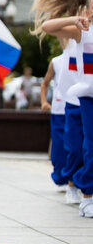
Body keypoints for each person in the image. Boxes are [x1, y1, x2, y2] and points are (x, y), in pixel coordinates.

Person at [32, 0, 93, 216]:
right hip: (86, 98)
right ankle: (85, 193)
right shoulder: (82, 32)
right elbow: (47, 27)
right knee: (86, 147)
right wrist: (75, 20)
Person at [41, 45, 69, 192]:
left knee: (77, 147)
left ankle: (74, 179)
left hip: (78, 107)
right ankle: (61, 177)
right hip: (59, 110)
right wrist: (44, 101)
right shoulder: (56, 61)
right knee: (59, 147)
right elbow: (45, 83)